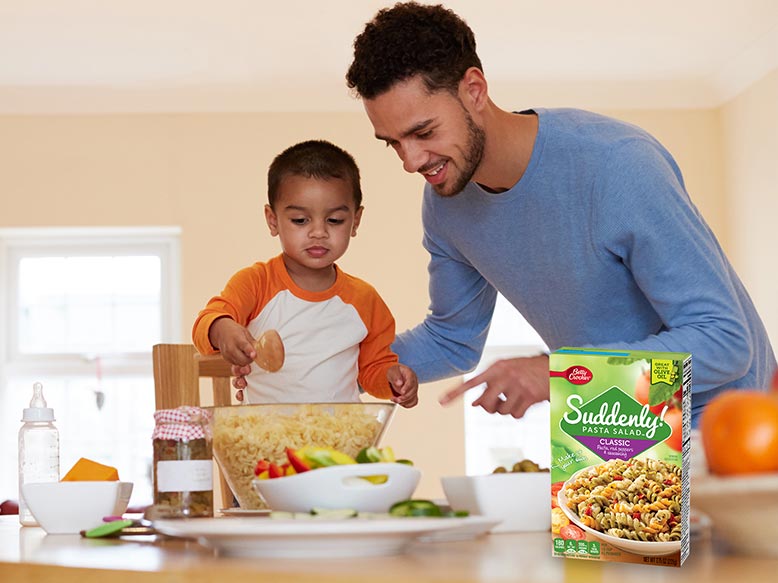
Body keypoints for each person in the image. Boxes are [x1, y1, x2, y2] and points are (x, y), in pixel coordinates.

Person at [345, 2, 776, 425]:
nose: (410, 160)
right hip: (611, 419)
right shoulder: (446, 204)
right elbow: (452, 338)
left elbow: (725, 343)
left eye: (423, 132)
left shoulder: (618, 165)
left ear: (474, 90)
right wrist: (332, 362)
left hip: (725, 431)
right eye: (393, 142)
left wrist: (558, 375)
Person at [193, 139, 418, 407]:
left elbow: (372, 370)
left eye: (334, 220)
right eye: (300, 220)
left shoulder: (364, 300)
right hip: (267, 439)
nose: (318, 232)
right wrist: (222, 329)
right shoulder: (256, 282)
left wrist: (392, 379)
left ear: (355, 221)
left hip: (340, 442)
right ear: (272, 220)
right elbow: (206, 323)